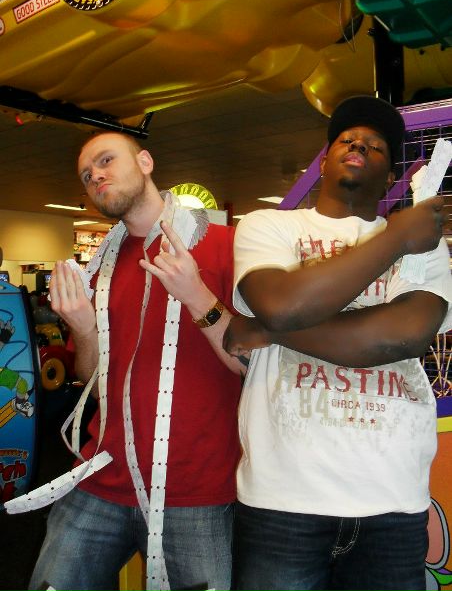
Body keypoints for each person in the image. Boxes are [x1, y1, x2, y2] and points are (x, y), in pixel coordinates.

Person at [224, 95, 452, 591]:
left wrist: (269, 330)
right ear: (323, 163)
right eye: (347, 139)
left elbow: (402, 336)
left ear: (390, 178)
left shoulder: (427, 247)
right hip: (282, 499)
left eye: (375, 146)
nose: (359, 145)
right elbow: (281, 302)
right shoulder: (269, 225)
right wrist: (395, 239)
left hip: (391, 498)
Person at [27, 132, 244, 591]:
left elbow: (249, 365)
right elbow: (90, 376)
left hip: (196, 489)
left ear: (145, 161)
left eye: (106, 160)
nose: (96, 175)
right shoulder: (99, 268)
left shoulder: (227, 246)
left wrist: (197, 296)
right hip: (101, 476)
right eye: (86, 175)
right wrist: (83, 328)